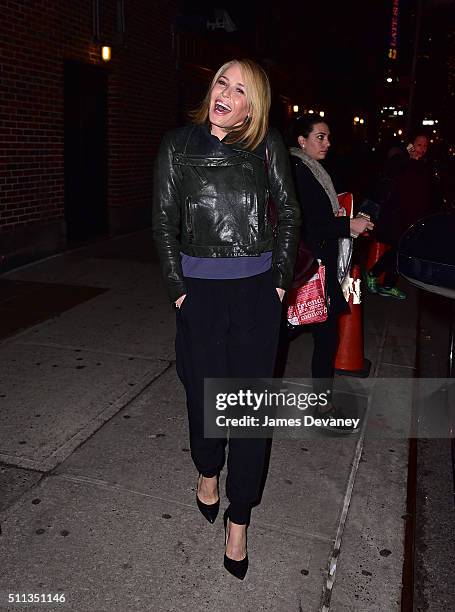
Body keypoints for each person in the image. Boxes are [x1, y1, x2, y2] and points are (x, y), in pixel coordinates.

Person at [152, 59, 300, 579]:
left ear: (251, 104)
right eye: (221, 81)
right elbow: (163, 222)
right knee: (205, 396)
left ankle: (239, 517)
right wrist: (177, 292)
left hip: (257, 294)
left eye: (240, 89)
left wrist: (279, 282)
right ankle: (207, 469)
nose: (226, 93)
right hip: (200, 295)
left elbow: (289, 211)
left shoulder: (267, 146)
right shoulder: (178, 145)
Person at [289, 115, 373, 432]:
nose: (327, 143)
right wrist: (346, 225)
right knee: (299, 331)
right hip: (309, 268)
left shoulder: (313, 170)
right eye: (320, 137)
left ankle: (322, 403)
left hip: (319, 265)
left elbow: (320, 215)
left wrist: (344, 217)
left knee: (324, 335)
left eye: (327, 138)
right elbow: (306, 225)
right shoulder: (298, 171)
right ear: (302, 140)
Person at [364, 132, 432, 299]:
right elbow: (391, 172)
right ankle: (377, 277)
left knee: (400, 250)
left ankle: (383, 281)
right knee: (399, 250)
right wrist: (407, 155)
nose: (421, 149)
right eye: (418, 145)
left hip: (411, 218)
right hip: (396, 215)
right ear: (411, 145)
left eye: (425, 146)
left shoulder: (424, 166)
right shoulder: (400, 162)